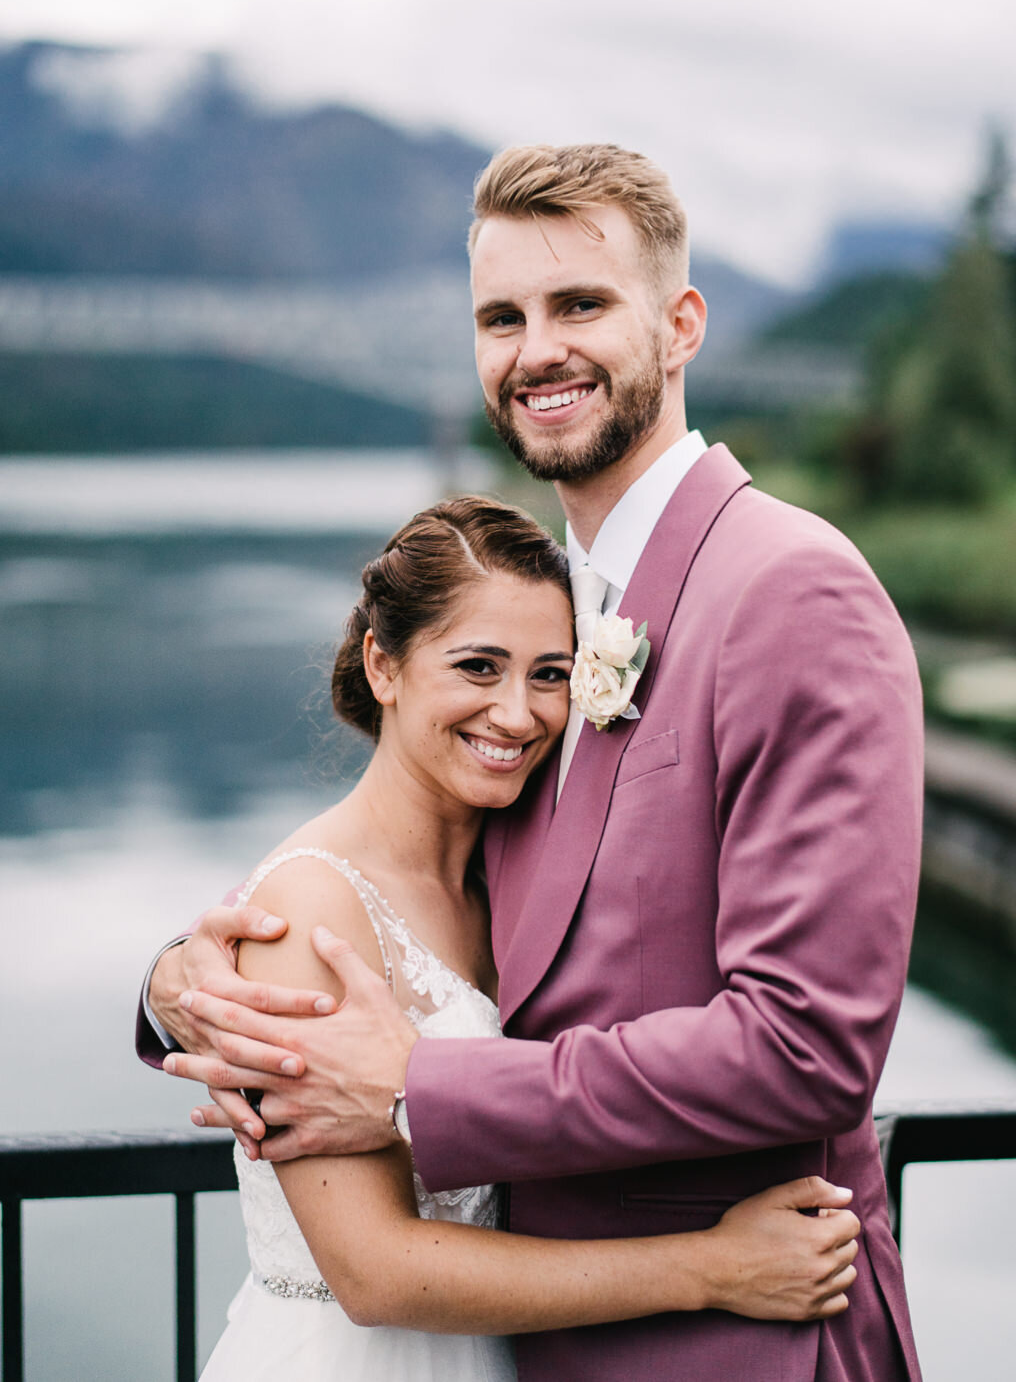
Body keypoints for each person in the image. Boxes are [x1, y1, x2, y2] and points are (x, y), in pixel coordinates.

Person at [141, 144, 925, 1379]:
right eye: (501, 317)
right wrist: (192, 980)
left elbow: (806, 1047)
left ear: (680, 326)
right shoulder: (557, 619)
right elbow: (420, 892)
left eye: (580, 305)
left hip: (740, 1342)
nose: (535, 349)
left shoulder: (789, 588)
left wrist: (418, 1090)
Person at [189, 496, 863, 1378]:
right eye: (478, 667)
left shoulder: (507, 874)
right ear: (382, 666)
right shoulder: (307, 911)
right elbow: (375, 1274)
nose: (518, 715)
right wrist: (712, 1268)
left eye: (550, 674)